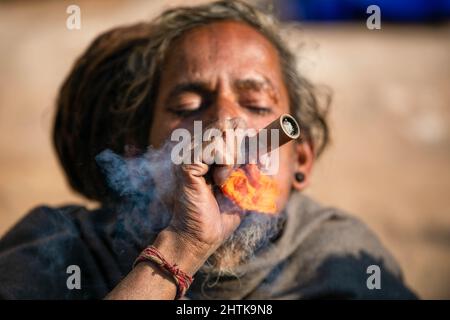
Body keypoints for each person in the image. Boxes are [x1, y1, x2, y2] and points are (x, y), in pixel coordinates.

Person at [0, 0, 416, 299]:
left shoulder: (344, 264)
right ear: (136, 151)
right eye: (188, 107)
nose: (222, 126)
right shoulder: (58, 250)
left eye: (256, 105)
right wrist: (181, 247)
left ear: (299, 161)